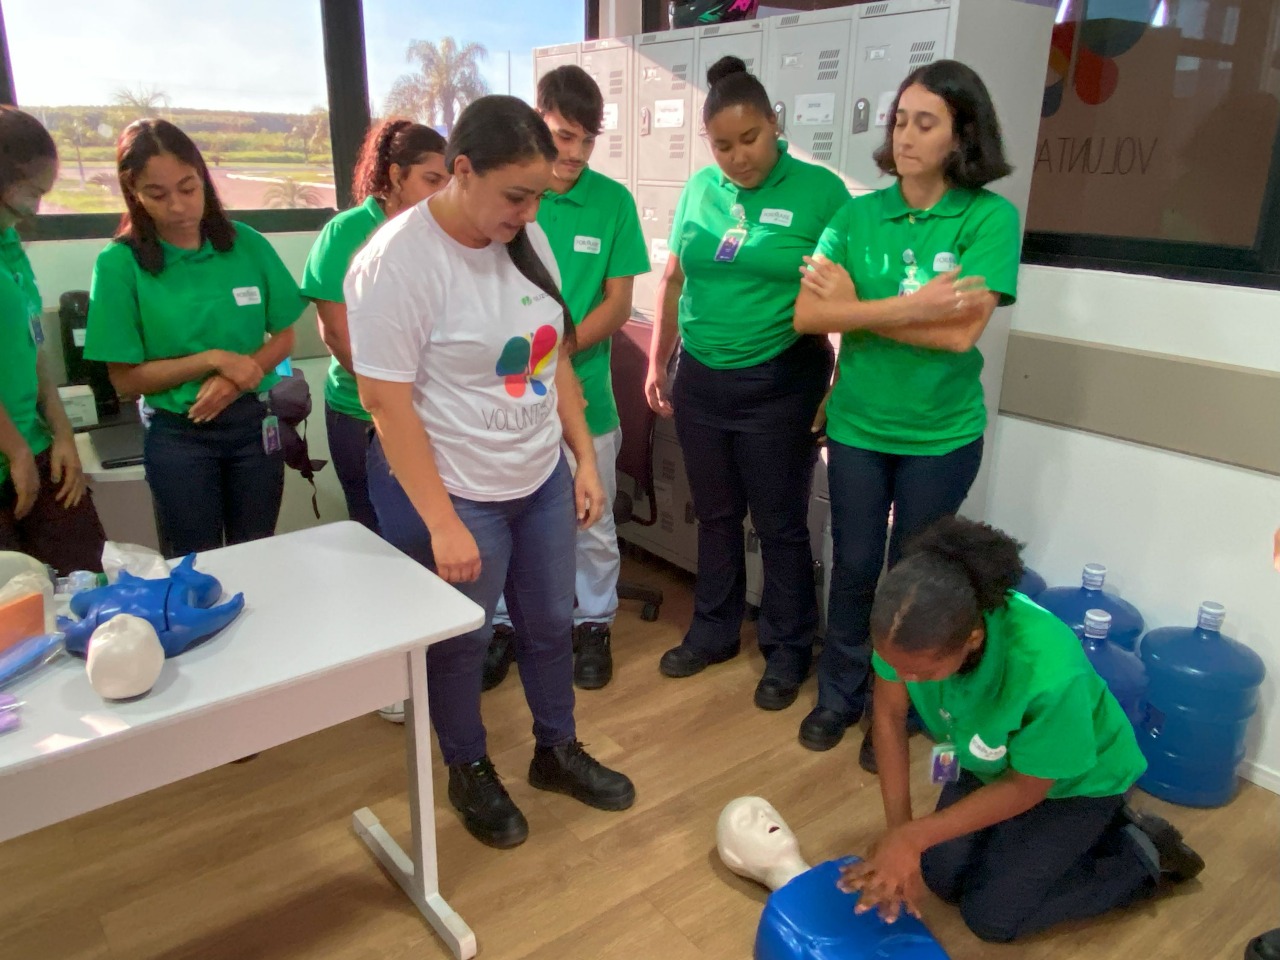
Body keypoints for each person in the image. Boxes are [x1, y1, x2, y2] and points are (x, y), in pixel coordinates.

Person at [346, 95, 634, 850]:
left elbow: (552, 353)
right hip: (457, 487)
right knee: (461, 641)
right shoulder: (395, 262)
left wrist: (580, 456)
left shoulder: (522, 233)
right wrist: (441, 521)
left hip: (535, 476)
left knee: (548, 624)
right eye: (517, 193)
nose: (531, 208)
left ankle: (556, 749)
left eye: (539, 192)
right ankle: (468, 766)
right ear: (461, 171)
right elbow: (385, 402)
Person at [793, 61, 1023, 762]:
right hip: (860, 426)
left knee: (914, 579)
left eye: (926, 123)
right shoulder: (857, 214)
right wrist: (913, 306)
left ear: (962, 136)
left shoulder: (989, 218)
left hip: (941, 435)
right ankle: (839, 696)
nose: (907, 135)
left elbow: (959, 333)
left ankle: (898, 710)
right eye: (900, 120)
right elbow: (807, 314)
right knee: (856, 563)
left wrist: (857, 309)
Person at [839, 516, 1204, 944]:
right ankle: (1038, 843)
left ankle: (1143, 852)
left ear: (973, 639)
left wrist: (913, 837)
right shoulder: (905, 637)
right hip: (988, 758)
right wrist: (900, 833)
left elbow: (1029, 787)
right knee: (941, 875)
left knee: (990, 917)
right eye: (895, 666)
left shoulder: (1047, 673)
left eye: (922, 671)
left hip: (1074, 782)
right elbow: (888, 719)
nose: (902, 677)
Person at [645, 56, 849, 711]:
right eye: (723, 145)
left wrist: (839, 382)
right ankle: (714, 632)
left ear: (775, 125)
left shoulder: (821, 194)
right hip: (701, 377)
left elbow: (849, 300)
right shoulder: (700, 189)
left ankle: (788, 649)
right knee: (716, 514)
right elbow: (676, 278)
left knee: (782, 522)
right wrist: (657, 361)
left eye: (750, 139)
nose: (737, 157)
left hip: (780, 381)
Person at [483, 65, 649, 693]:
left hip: (590, 397)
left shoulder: (612, 203)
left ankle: (594, 624)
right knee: (503, 519)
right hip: (511, 398)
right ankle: (501, 626)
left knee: (592, 521)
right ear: (536, 123)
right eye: (561, 136)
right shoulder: (510, 195)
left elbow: (619, 300)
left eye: (586, 140)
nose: (573, 154)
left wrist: (562, 346)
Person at [85, 120, 305, 557]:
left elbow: (284, 336)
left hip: (251, 426)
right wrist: (212, 360)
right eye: (157, 194)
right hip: (179, 436)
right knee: (194, 561)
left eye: (188, 188)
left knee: (259, 553)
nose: (178, 206)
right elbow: (126, 381)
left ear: (204, 179)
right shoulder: (119, 264)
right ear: (135, 194)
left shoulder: (246, 244)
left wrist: (238, 378)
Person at [301, 118, 449, 536]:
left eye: (447, 181)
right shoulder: (346, 232)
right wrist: (390, 394)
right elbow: (335, 333)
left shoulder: (440, 235)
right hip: (360, 413)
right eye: (431, 179)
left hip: (432, 411)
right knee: (374, 530)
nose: (441, 192)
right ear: (395, 176)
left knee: (426, 531)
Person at [0, 107, 106, 573]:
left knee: (88, 575)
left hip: (37, 444)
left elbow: (32, 346)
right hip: (13, 452)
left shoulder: (10, 248)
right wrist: (15, 449)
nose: (34, 208)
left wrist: (62, 436)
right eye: (28, 191)